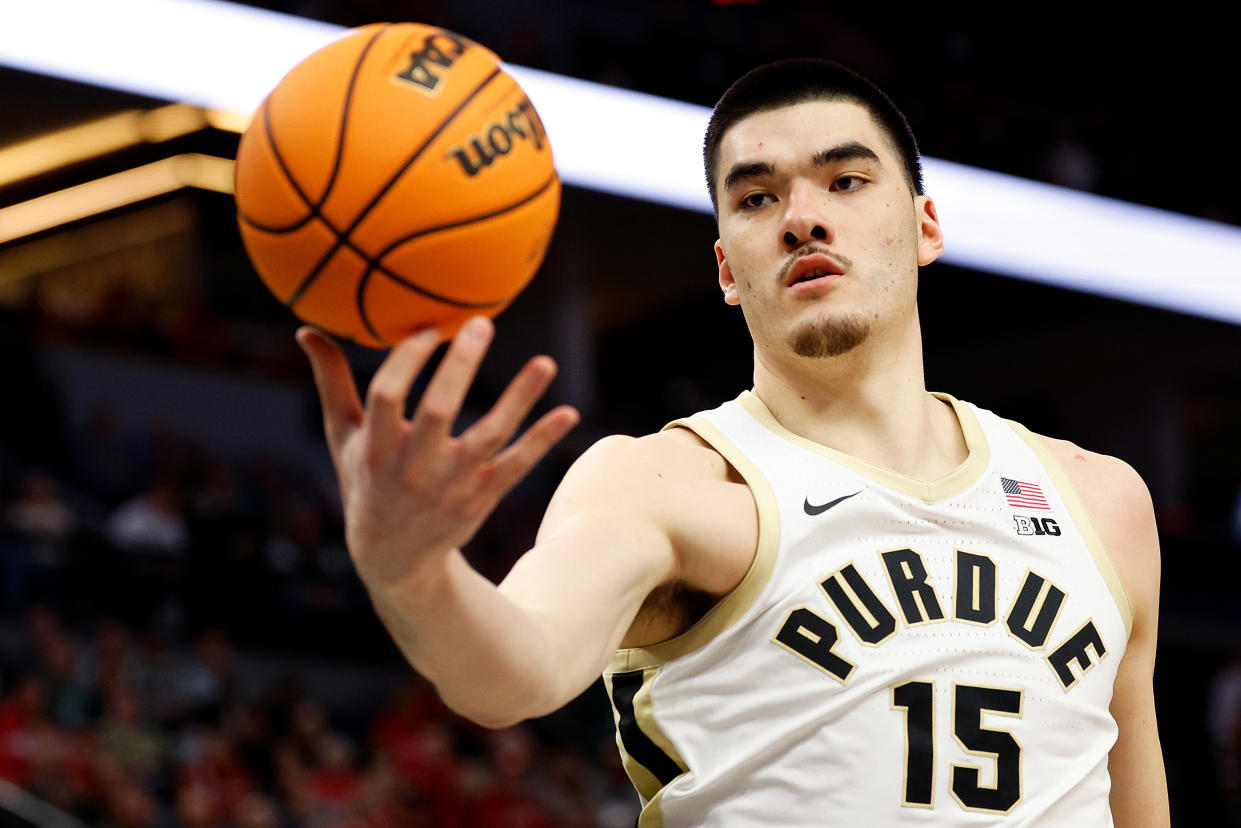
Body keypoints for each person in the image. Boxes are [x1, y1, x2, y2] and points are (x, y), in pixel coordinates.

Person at [295, 59, 1169, 826]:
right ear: (725, 267)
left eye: (846, 182)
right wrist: (411, 572)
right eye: (756, 198)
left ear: (925, 225)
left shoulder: (1100, 499)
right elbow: (510, 675)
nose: (800, 218)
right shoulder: (663, 482)